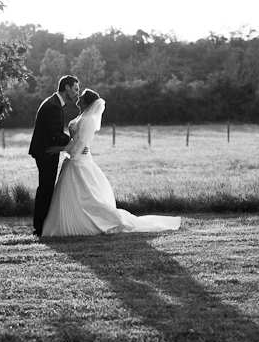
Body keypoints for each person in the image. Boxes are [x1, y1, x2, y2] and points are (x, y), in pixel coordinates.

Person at [42, 89, 181, 237]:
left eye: (81, 96)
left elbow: (81, 142)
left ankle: (106, 220)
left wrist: (63, 150)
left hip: (79, 161)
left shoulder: (87, 120)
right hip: (74, 159)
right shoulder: (82, 117)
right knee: (76, 195)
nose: (78, 97)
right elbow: (76, 141)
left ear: (86, 102)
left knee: (89, 197)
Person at [28, 75, 80, 236]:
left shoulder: (54, 103)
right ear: (67, 88)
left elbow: (54, 133)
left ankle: (41, 225)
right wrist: (74, 140)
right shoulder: (53, 106)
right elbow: (54, 133)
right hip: (46, 152)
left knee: (46, 187)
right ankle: (39, 227)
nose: (77, 93)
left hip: (46, 151)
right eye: (76, 89)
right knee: (46, 188)